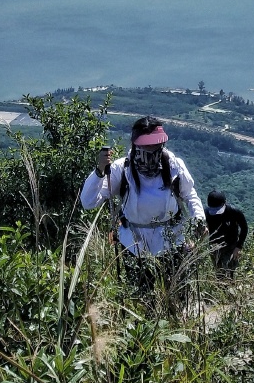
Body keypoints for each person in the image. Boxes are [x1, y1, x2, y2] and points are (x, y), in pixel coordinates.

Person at [80, 116, 206, 304]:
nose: (152, 150)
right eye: (147, 146)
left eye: (156, 145)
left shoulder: (173, 165)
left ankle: (176, 316)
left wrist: (199, 219)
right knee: (142, 298)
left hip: (172, 240)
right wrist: (100, 171)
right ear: (136, 144)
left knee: (177, 295)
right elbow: (89, 202)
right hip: (134, 243)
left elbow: (189, 194)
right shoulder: (121, 169)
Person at [204, 190, 248, 278]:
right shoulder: (206, 213)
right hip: (214, 247)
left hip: (231, 245)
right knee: (219, 273)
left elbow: (244, 228)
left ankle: (231, 283)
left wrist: (238, 247)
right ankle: (222, 284)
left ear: (225, 203)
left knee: (229, 270)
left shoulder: (234, 212)